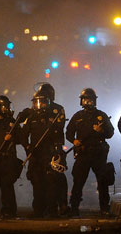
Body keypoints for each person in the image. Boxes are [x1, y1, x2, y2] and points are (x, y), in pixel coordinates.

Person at [66, 88, 114, 217]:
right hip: (83, 153)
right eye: (86, 99)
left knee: (102, 182)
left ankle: (104, 208)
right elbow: (68, 132)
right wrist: (74, 141)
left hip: (98, 153)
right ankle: (74, 208)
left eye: (91, 100)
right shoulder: (77, 116)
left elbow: (110, 133)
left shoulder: (101, 115)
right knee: (78, 181)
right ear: (82, 101)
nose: (89, 102)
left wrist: (101, 131)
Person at [20, 90, 64, 218]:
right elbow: (23, 135)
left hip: (50, 153)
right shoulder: (31, 117)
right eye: (38, 103)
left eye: (43, 103)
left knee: (51, 182)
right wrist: (28, 147)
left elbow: (60, 134)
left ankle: (52, 210)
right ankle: (38, 210)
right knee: (37, 183)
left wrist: (56, 150)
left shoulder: (54, 116)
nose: (41, 106)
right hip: (35, 154)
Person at [37, 83, 69, 216]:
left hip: (54, 149)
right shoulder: (36, 110)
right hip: (40, 150)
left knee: (58, 177)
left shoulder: (57, 109)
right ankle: (44, 208)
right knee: (41, 179)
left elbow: (59, 126)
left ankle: (61, 205)